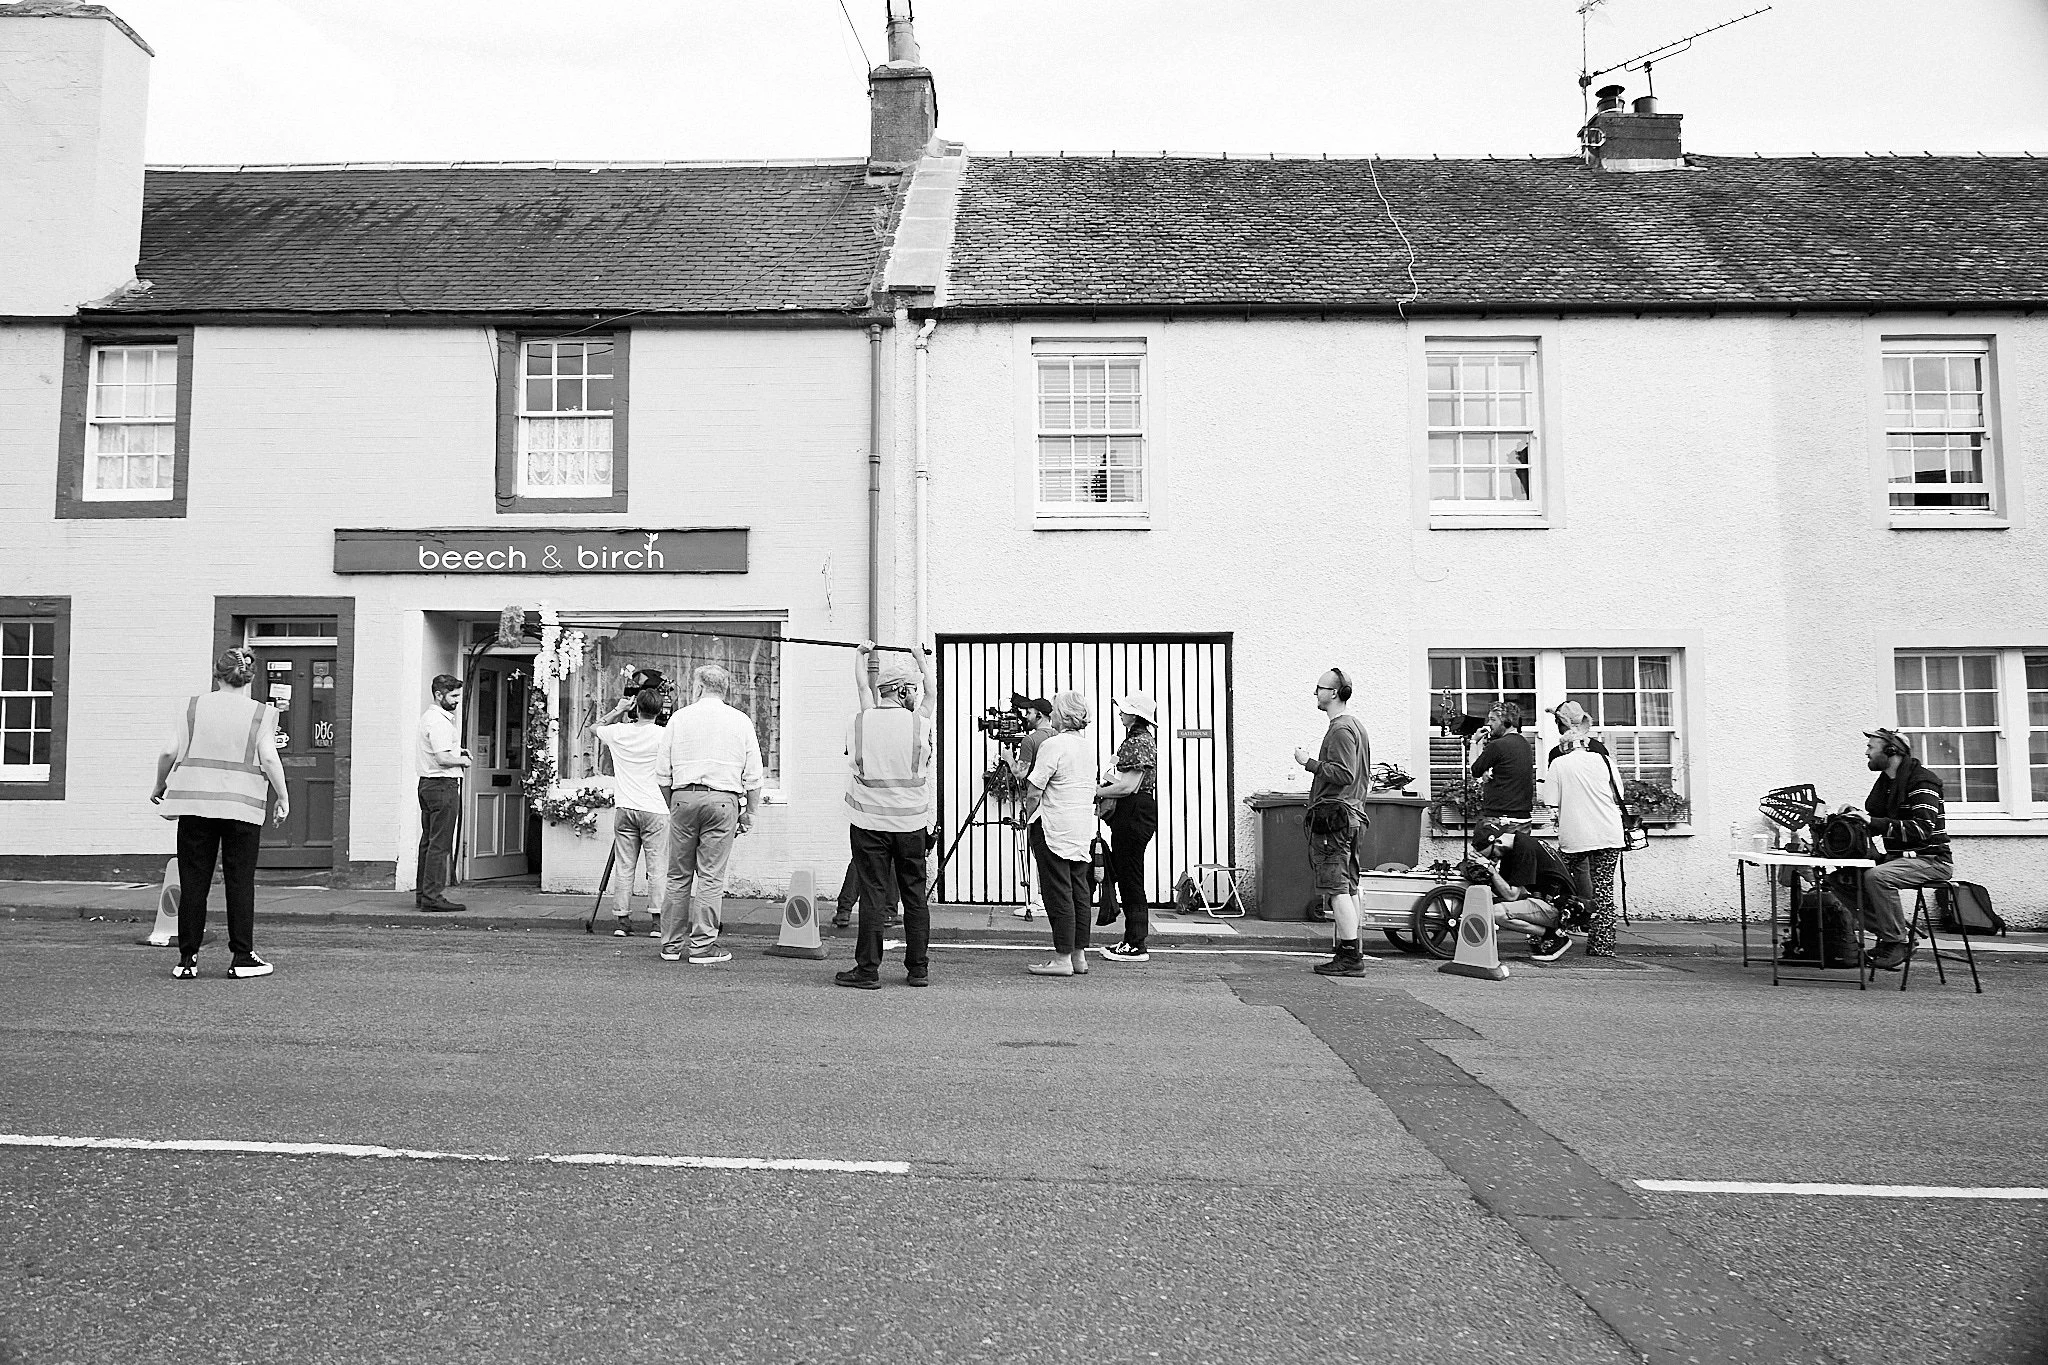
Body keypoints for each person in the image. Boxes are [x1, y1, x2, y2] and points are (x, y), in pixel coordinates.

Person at [151, 647, 291, 979]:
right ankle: (242, 957)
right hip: (241, 808)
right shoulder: (261, 714)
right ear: (250, 678)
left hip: (194, 806)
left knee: (193, 882)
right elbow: (270, 759)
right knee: (240, 882)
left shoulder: (192, 707)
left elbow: (170, 750)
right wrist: (283, 797)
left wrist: (160, 784)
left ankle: (187, 960)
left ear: (217, 674)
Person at [834, 643, 938, 990]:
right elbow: (932, 693)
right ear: (903, 690)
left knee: (874, 896)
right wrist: (921, 659)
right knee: (914, 895)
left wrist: (859, 655)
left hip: (868, 825)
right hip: (910, 825)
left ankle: (867, 970)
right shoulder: (919, 724)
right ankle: (918, 969)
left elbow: (863, 689)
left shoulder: (861, 720)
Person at [654, 664, 764, 966]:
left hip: (682, 798)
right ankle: (702, 946)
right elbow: (753, 775)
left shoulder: (679, 718)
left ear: (698, 686)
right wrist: (750, 813)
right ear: (724, 689)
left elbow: (662, 773)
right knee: (710, 877)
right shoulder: (740, 721)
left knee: (677, 876)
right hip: (723, 801)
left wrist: (674, 802)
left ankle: (671, 946)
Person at [1845, 727, 1953, 971]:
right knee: (1842, 879)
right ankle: (1895, 931)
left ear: (1891, 751)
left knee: (1877, 877)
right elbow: (1878, 822)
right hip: (1897, 858)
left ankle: (1896, 940)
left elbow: (1922, 828)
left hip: (1932, 860)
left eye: (1871, 748)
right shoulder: (1887, 785)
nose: (1866, 753)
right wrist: (1853, 818)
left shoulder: (1922, 781)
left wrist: (1872, 822)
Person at [1296, 667, 1373, 977]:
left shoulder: (1340, 729)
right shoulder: (1356, 726)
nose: (1316, 693)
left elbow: (1343, 774)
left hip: (1336, 820)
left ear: (1335, 693)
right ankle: (1351, 951)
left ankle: (1350, 957)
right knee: (1349, 888)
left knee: (1337, 889)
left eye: (1320, 688)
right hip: (1352, 816)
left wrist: (1309, 764)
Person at [1021, 690, 1097, 977]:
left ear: (1062, 715)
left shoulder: (1054, 745)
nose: (1050, 713)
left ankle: (1062, 957)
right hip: (1079, 826)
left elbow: (1034, 789)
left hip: (1053, 825)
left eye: (1053, 709)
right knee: (1079, 890)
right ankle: (1079, 955)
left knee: (1057, 892)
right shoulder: (1087, 747)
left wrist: (1027, 817)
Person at [588, 682, 669, 938]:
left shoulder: (620, 732)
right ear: (658, 711)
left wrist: (618, 710)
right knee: (657, 867)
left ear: (636, 708)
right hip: (655, 807)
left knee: (624, 866)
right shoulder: (664, 735)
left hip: (626, 807)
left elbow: (594, 728)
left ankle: (622, 920)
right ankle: (657, 921)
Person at [1547, 717, 1624, 956]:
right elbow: (1619, 793)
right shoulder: (1605, 760)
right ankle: (1602, 946)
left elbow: (1550, 800)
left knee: (1555, 885)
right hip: (1609, 832)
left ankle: (1551, 937)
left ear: (1565, 745)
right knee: (1603, 891)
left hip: (1576, 835)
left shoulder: (1559, 764)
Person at [1096, 691, 1160, 962]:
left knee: (1131, 876)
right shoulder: (1138, 740)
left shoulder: (1138, 742)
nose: (1120, 713)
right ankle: (1131, 940)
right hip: (1137, 811)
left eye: (1123, 710)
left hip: (1134, 810)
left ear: (1135, 715)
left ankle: (1136, 943)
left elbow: (1129, 785)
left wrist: (1097, 791)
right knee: (1129, 873)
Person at [1465, 818, 1576, 961]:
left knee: (1494, 912)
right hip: (1544, 901)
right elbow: (1506, 890)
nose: (1495, 859)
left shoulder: (1525, 850)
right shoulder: (1514, 847)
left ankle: (1553, 935)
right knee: (1491, 904)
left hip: (1560, 908)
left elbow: (1512, 895)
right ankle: (1546, 934)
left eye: (1493, 855)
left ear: (1498, 842)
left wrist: (1489, 868)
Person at [415, 673, 470, 912]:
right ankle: (433, 897)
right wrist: (464, 761)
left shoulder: (430, 718)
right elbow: (443, 758)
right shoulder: (439, 721)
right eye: (454, 695)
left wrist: (457, 752)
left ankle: (423, 894)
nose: (458, 700)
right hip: (442, 786)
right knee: (440, 844)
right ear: (439, 695)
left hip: (428, 785)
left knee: (428, 842)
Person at [1009, 695, 1054, 921]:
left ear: (1040, 715)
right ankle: (1049, 900)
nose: (1025, 717)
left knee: (1037, 853)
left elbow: (1020, 773)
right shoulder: (1057, 737)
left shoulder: (1030, 740)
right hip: (1055, 804)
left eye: (1029, 713)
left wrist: (1008, 758)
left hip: (1037, 804)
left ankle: (1038, 901)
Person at [1470, 701, 1535, 829]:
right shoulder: (1525, 744)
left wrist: (1474, 742)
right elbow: (1507, 769)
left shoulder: (1498, 745)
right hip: (1523, 818)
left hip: (1501, 818)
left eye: (1493, 720)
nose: (1489, 724)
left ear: (1506, 722)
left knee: (1485, 849)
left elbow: (1475, 770)